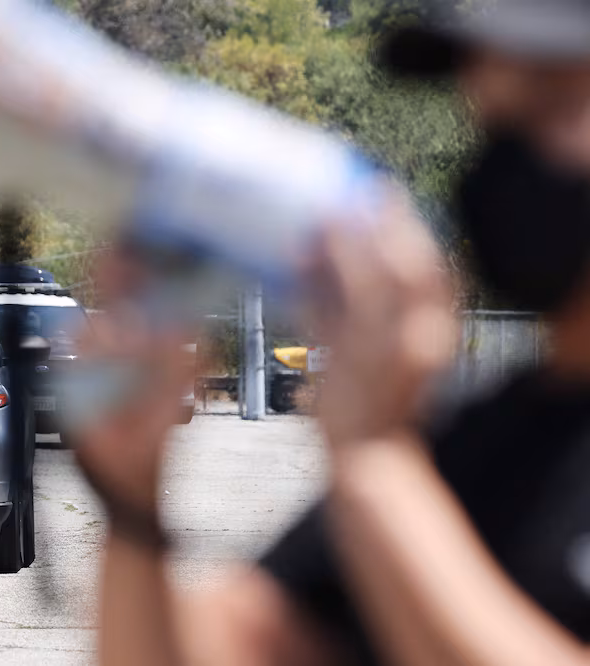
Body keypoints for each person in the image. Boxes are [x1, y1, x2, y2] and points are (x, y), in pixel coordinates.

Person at [75, 1, 590, 664]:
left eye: (549, 96)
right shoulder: (478, 440)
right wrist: (133, 506)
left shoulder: (396, 466)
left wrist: (377, 464)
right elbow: (223, 647)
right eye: (491, 121)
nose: (503, 169)